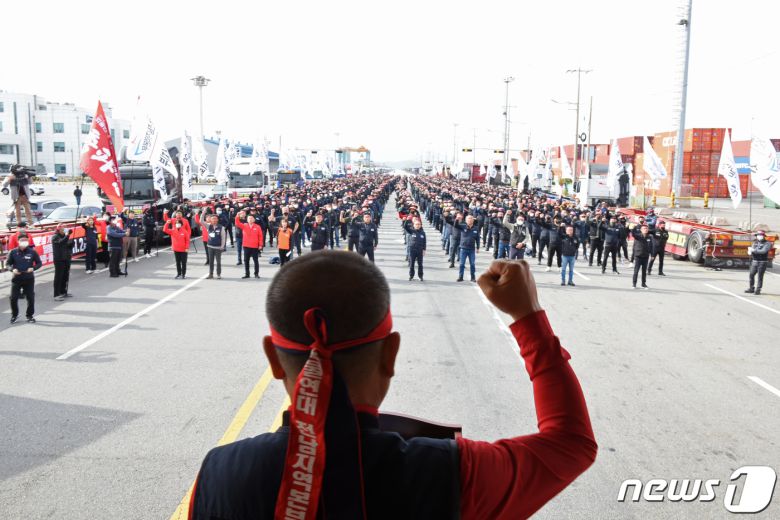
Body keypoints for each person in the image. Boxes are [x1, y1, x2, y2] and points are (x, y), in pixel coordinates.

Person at [189, 252, 597, 519]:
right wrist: (528, 317)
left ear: (274, 360)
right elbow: (570, 444)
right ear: (391, 353)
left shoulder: (218, 475)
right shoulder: (452, 472)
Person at [8, 233, 42, 324]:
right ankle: (15, 315)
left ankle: (29, 315)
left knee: (30, 297)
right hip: (17, 278)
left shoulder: (32, 252)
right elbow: (8, 264)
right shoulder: (13, 252)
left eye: (25, 240)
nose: (24, 242)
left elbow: (39, 263)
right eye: (22, 240)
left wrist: (33, 268)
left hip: (29, 279)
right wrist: (12, 269)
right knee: (13, 298)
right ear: (18, 241)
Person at [235, 211, 264, 279]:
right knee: (246, 260)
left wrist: (260, 245)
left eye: (251, 218)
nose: (250, 219)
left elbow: (260, 236)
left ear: (254, 219)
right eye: (249, 218)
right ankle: (247, 274)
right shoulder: (244, 225)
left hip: (255, 246)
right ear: (247, 219)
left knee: (255, 260)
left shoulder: (257, 227)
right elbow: (237, 223)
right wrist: (237, 216)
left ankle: (256, 274)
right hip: (246, 246)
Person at [52, 225, 75, 300]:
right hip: (59, 260)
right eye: (62, 229)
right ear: (58, 230)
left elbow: (67, 245)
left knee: (65, 276)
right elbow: (61, 243)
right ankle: (56, 294)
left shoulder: (65, 236)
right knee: (58, 277)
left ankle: (63, 291)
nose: (63, 230)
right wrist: (68, 235)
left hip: (66, 259)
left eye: (64, 229)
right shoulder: (55, 237)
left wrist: (72, 243)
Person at [745, 230, 772, 295]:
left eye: (760, 235)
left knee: (760, 276)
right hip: (755, 261)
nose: (759, 236)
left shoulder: (767, 243)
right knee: (751, 274)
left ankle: (758, 289)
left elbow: (763, 251)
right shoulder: (755, 242)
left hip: (762, 262)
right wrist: (750, 251)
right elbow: (752, 249)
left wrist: (754, 250)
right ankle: (751, 288)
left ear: (763, 236)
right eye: (758, 235)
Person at [456, 215, 480, 282]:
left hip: (472, 249)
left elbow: (477, 239)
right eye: (468, 219)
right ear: (466, 220)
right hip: (463, 248)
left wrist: (478, 247)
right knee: (462, 264)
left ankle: (473, 277)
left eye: (471, 219)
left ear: (473, 220)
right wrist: (457, 219)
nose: (470, 220)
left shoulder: (476, 228)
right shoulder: (463, 226)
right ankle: (460, 277)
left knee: (472, 264)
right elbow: (456, 225)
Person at [203, 213, 227, 279]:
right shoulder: (209, 226)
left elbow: (223, 238)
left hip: (218, 247)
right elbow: (201, 221)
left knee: (218, 262)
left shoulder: (221, 227)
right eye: (212, 219)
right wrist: (203, 213)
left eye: (215, 219)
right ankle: (211, 274)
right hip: (210, 246)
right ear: (210, 220)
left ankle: (218, 274)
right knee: (211, 261)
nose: (214, 220)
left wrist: (222, 246)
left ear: (217, 220)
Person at [631, 224, 653, 289]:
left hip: (646, 256)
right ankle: (634, 284)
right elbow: (633, 234)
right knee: (636, 271)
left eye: (646, 228)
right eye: (644, 228)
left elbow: (651, 246)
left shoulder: (649, 237)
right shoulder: (638, 236)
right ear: (641, 230)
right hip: (638, 256)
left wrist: (652, 254)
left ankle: (643, 284)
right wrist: (634, 228)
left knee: (644, 272)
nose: (645, 229)